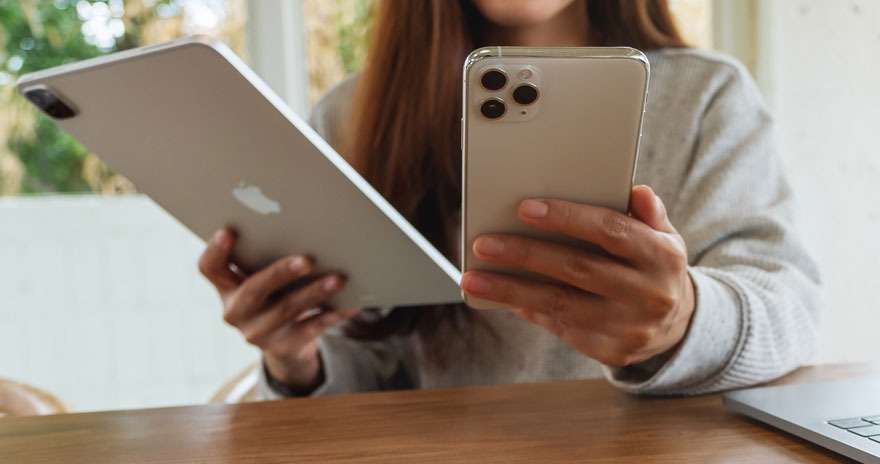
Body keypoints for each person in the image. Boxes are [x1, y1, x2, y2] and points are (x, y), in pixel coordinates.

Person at [198, 0, 822, 398]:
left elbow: (789, 309)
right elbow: (367, 374)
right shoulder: (353, 117)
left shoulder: (707, 96)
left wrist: (683, 319)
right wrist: (295, 359)